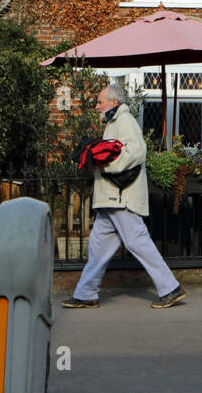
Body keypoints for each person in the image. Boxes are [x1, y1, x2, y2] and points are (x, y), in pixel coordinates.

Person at [62, 84, 186, 309]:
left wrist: (108, 167)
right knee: (98, 248)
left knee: (138, 243)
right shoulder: (114, 122)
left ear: (113, 102)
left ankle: (170, 287)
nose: (97, 106)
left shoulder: (124, 121)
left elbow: (137, 151)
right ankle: (85, 294)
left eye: (100, 102)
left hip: (120, 198)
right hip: (112, 199)